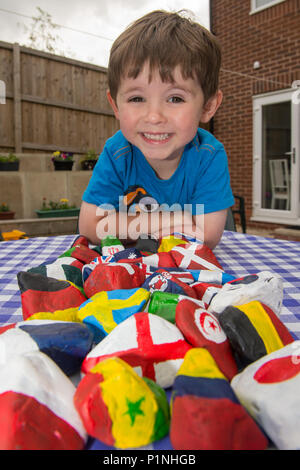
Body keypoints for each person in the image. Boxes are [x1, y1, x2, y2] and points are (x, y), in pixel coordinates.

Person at [79, 10, 234, 249]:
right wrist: (179, 220)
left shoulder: (208, 155)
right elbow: (90, 226)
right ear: (115, 106)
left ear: (208, 106)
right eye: (137, 99)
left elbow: (208, 235)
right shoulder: (117, 152)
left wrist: (120, 224)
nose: (154, 117)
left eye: (175, 99)